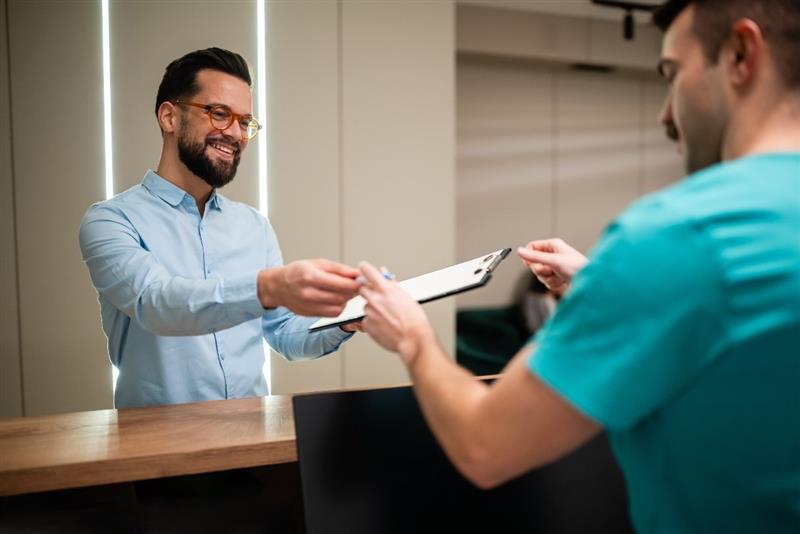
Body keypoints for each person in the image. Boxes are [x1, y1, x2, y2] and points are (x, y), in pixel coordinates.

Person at [357, 1, 800, 531]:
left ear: (740, 54)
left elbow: (485, 446)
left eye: (672, 75)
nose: (666, 115)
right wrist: (601, 285)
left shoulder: (678, 233)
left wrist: (411, 335)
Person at [80, 48, 361, 409]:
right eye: (219, 114)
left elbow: (284, 336)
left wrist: (348, 319)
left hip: (252, 442)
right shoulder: (112, 220)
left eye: (244, 122)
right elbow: (156, 303)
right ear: (169, 117)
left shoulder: (254, 226)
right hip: (158, 450)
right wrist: (269, 286)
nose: (236, 134)